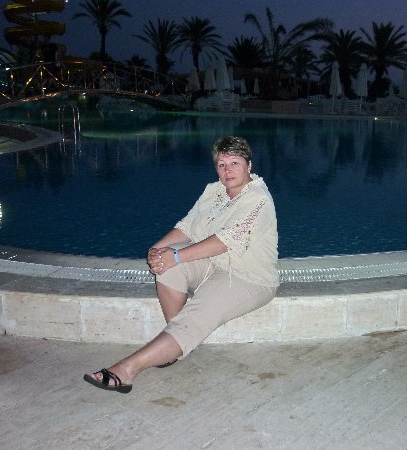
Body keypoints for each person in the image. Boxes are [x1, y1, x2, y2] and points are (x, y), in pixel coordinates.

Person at [84, 136, 279, 393]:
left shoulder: (258, 199)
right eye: (222, 164)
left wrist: (175, 256)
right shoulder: (214, 191)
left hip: (247, 276)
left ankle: (128, 369)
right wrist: (156, 250)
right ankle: (175, 344)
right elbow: (187, 227)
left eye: (235, 163)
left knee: (191, 305)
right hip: (213, 264)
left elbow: (224, 242)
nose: (228, 170)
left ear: (249, 165)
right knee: (168, 267)